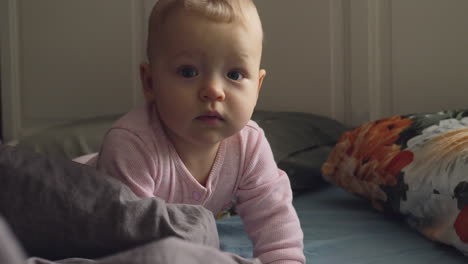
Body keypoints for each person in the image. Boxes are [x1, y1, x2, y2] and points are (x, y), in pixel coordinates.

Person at [96, 0, 305, 263]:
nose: (213, 90)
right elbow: (128, 242)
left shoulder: (249, 144)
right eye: (188, 71)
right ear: (150, 82)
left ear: (258, 87)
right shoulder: (133, 147)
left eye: (235, 75)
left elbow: (274, 219)